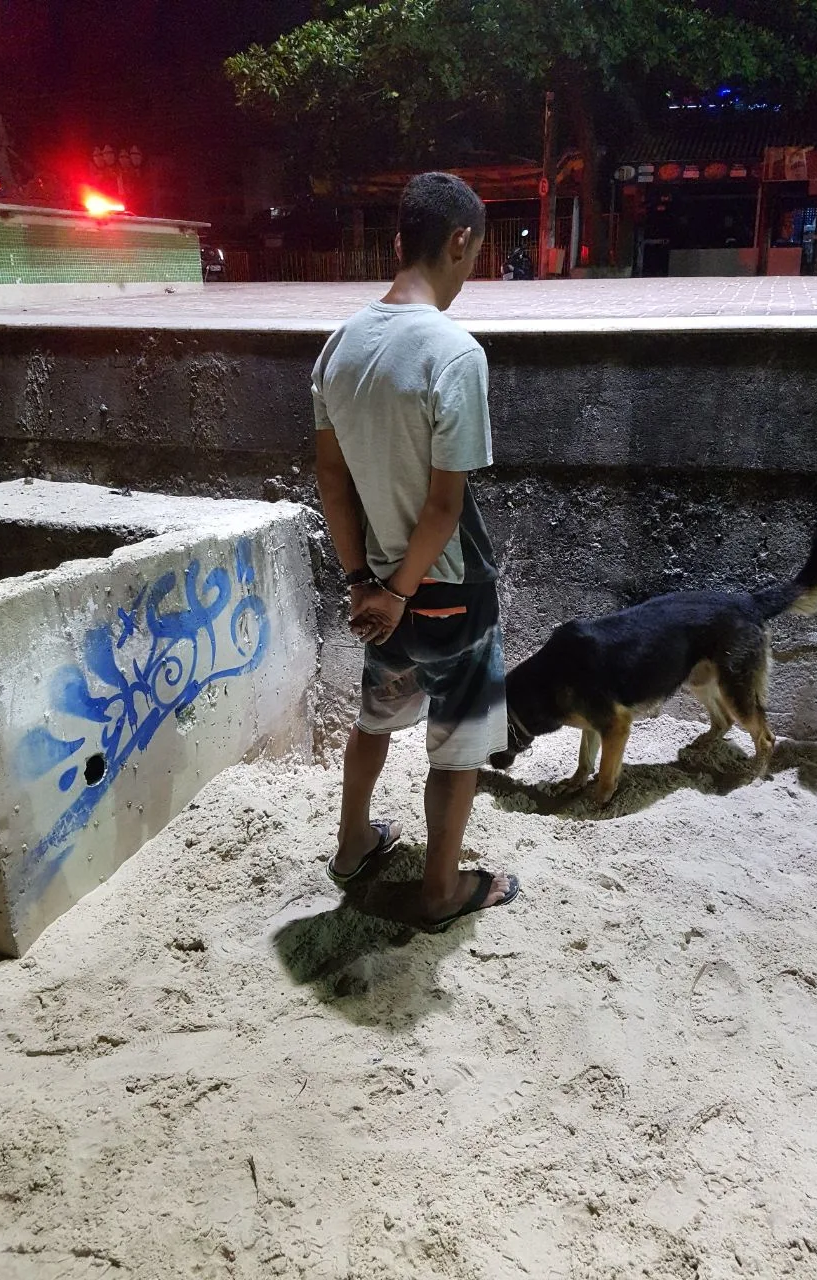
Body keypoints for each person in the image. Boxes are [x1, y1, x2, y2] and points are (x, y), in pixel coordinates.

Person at [311, 171, 520, 932]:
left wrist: (364, 582)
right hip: (443, 593)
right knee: (457, 746)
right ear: (458, 241)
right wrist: (401, 589)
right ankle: (439, 892)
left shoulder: (338, 347)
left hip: (378, 594)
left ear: (400, 239)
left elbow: (333, 483)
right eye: (476, 255)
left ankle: (351, 846)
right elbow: (444, 505)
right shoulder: (454, 354)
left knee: (374, 720)